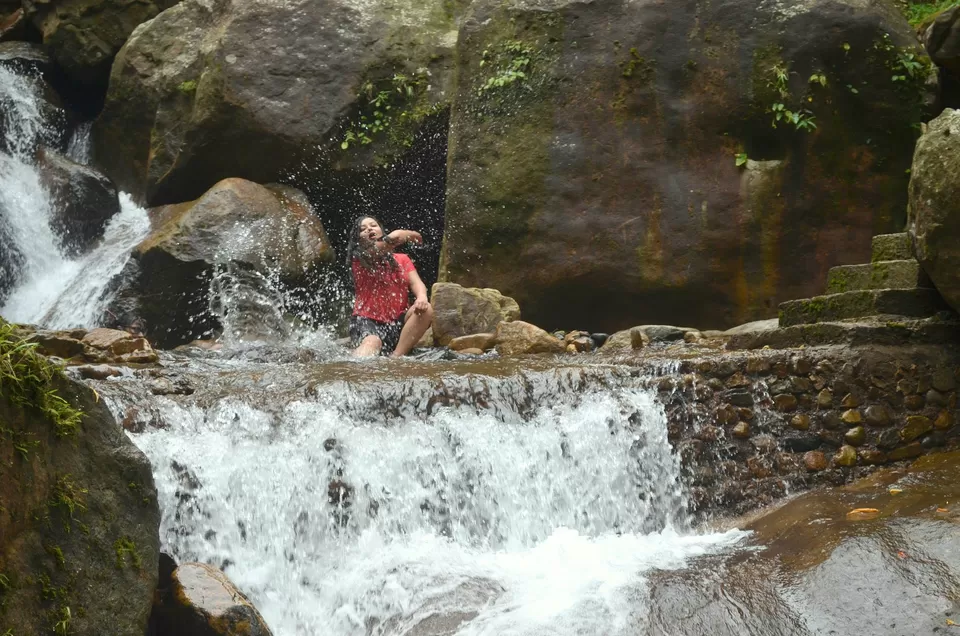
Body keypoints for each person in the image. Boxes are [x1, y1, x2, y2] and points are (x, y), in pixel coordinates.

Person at [346, 215, 434, 357]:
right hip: (366, 321)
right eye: (363, 229)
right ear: (358, 239)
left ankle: (396, 357)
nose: (369, 229)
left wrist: (422, 297)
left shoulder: (402, 259)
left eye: (373, 225)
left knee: (426, 309)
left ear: (381, 230)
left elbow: (416, 283)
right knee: (373, 342)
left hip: (397, 322)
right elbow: (392, 239)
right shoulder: (360, 258)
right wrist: (407, 234)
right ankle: (352, 368)